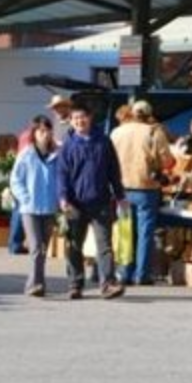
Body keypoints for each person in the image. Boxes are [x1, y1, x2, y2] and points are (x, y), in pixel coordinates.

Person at [57, 101, 127, 300]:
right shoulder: (68, 145)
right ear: (71, 121)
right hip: (75, 204)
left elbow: (114, 171)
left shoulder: (103, 141)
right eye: (76, 118)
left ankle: (108, 284)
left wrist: (121, 196)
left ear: (90, 118)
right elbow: (61, 175)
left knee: (104, 245)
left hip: (101, 201)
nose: (80, 121)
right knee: (74, 245)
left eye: (83, 117)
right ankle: (75, 284)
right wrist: (63, 198)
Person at [110, 99, 173, 286]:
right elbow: (167, 161)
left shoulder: (117, 132)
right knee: (145, 233)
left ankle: (124, 272)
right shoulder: (154, 132)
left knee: (125, 231)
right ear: (148, 115)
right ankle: (141, 275)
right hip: (146, 188)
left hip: (121, 188)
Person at [10, 116, 60, 298]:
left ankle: (38, 282)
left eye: (48, 131)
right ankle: (35, 285)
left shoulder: (56, 155)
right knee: (36, 247)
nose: (45, 135)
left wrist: (59, 200)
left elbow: (61, 180)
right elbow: (15, 180)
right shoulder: (26, 154)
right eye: (41, 131)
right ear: (34, 133)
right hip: (30, 209)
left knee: (43, 248)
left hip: (49, 208)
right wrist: (25, 198)